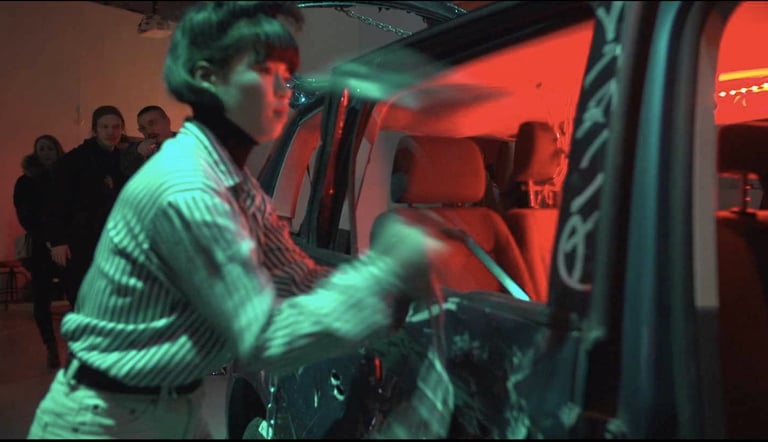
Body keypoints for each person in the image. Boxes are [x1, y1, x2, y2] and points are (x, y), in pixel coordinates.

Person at [28, 2, 444, 439]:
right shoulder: (188, 188)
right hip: (103, 420)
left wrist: (390, 292)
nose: (283, 88)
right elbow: (262, 336)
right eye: (264, 70)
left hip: (167, 406)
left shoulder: (236, 186)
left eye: (286, 71)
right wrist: (387, 274)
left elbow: (297, 279)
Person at [48, 105, 132, 307]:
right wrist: (58, 240)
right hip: (80, 240)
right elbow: (56, 201)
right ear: (95, 130)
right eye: (105, 127)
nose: (111, 132)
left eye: (116, 127)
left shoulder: (122, 159)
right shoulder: (74, 160)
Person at [13, 135, 67, 369]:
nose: (46, 153)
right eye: (41, 149)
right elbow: (25, 215)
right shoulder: (26, 181)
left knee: (76, 293)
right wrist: (46, 238)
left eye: (50, 148)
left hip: (67, 244)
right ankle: (50, 346)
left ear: (58, 150)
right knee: (41, 297)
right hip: (41, 247)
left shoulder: (67, 176)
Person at [120, 105, 177, 176]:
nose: (149, 131)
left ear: (167, 121)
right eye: (143, 128)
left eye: (152, 123)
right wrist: (138, 151)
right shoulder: (140, 150)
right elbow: (125, 168)